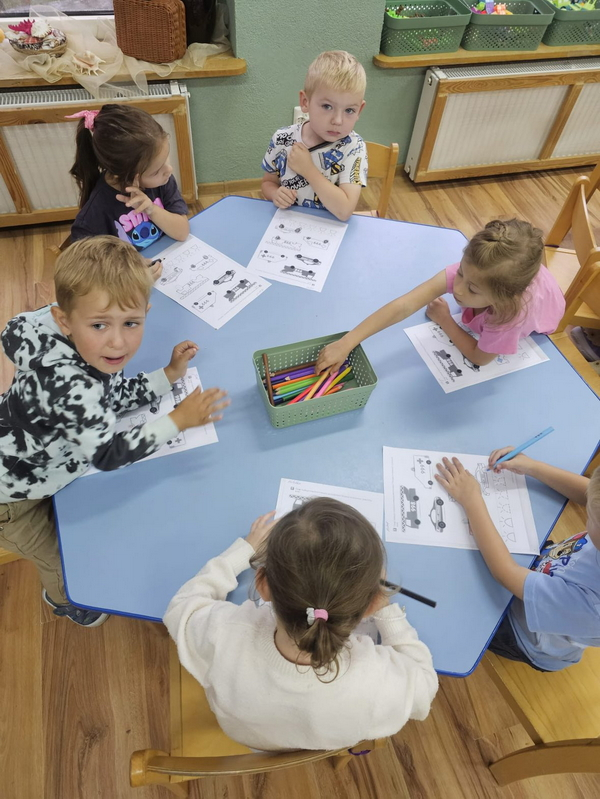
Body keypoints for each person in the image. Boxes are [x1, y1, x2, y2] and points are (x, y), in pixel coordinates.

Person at [0, 236, 228, 627]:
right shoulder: (72, 387)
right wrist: (177, 420)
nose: (118, 342)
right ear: (64, 320)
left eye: (131, 323)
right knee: (60, 562)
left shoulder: (65, 333)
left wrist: (166, 376)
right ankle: (67, 601)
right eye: (100, 325)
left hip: (38, 460)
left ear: (146, 312)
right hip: (10, 501)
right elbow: (107, 454)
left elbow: (109, 394)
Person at [164, 498, 438, 751]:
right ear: (371, 605)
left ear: (263, 585)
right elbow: (425, 685)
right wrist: (389, 614)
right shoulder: (377, 681)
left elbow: (182, 605)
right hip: (319, 743)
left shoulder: (225, 633)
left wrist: (244, 551)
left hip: (247, 737)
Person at [316, 219, 566, 374]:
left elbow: (479, 357)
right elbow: (405, 304)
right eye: (460, 273)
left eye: (472, 289)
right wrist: (346, 342)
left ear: (502, 298)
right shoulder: (478, 274)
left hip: (541, 319)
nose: (458, 289)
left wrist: (445, 319)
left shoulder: (508, 316)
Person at [435, 452, 600, 672]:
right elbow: (588, 492)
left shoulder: (592, 606)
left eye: (591, 518)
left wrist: (472, 500)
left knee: (453, 599)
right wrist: (532, 466)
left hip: (521, 633)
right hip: (549, 568)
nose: (587, 514)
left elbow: (505, 573)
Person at [69, 104, 190, 264]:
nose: (169, 169)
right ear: (124, 176)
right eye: (155, 171)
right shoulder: (94, 214)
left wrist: (151, 209)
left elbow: (182, 231)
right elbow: (91, 272)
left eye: (166, 158)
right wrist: (135, 273)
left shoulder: (162, 180)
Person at [261, 51, 368, 222]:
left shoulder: (354, 147)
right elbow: (268, 183)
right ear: (305, 102)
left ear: (359, 111)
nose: (337, 121)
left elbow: (345, 211)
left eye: (349, 110)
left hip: (329, 230)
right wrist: (276, 194)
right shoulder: (282, 138)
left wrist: (308, 170)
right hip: (288, 226)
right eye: (327, 106)